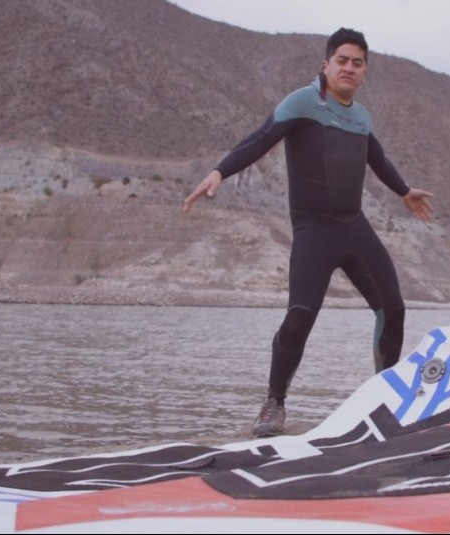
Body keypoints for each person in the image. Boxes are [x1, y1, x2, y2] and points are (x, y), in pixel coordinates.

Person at [183, 28, 434, 436]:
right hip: (314, 230)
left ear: (365, 71)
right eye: (342, 60)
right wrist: (219, 171)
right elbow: (261, 138)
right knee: (300, 316)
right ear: (326, 64)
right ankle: (273, 403)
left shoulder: (361, 115)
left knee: (394, 307)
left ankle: (387, 397)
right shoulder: (303, 102)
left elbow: (378, 159)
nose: (349, 68)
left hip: (354, 226)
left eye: (357, 63)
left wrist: (404, 191)